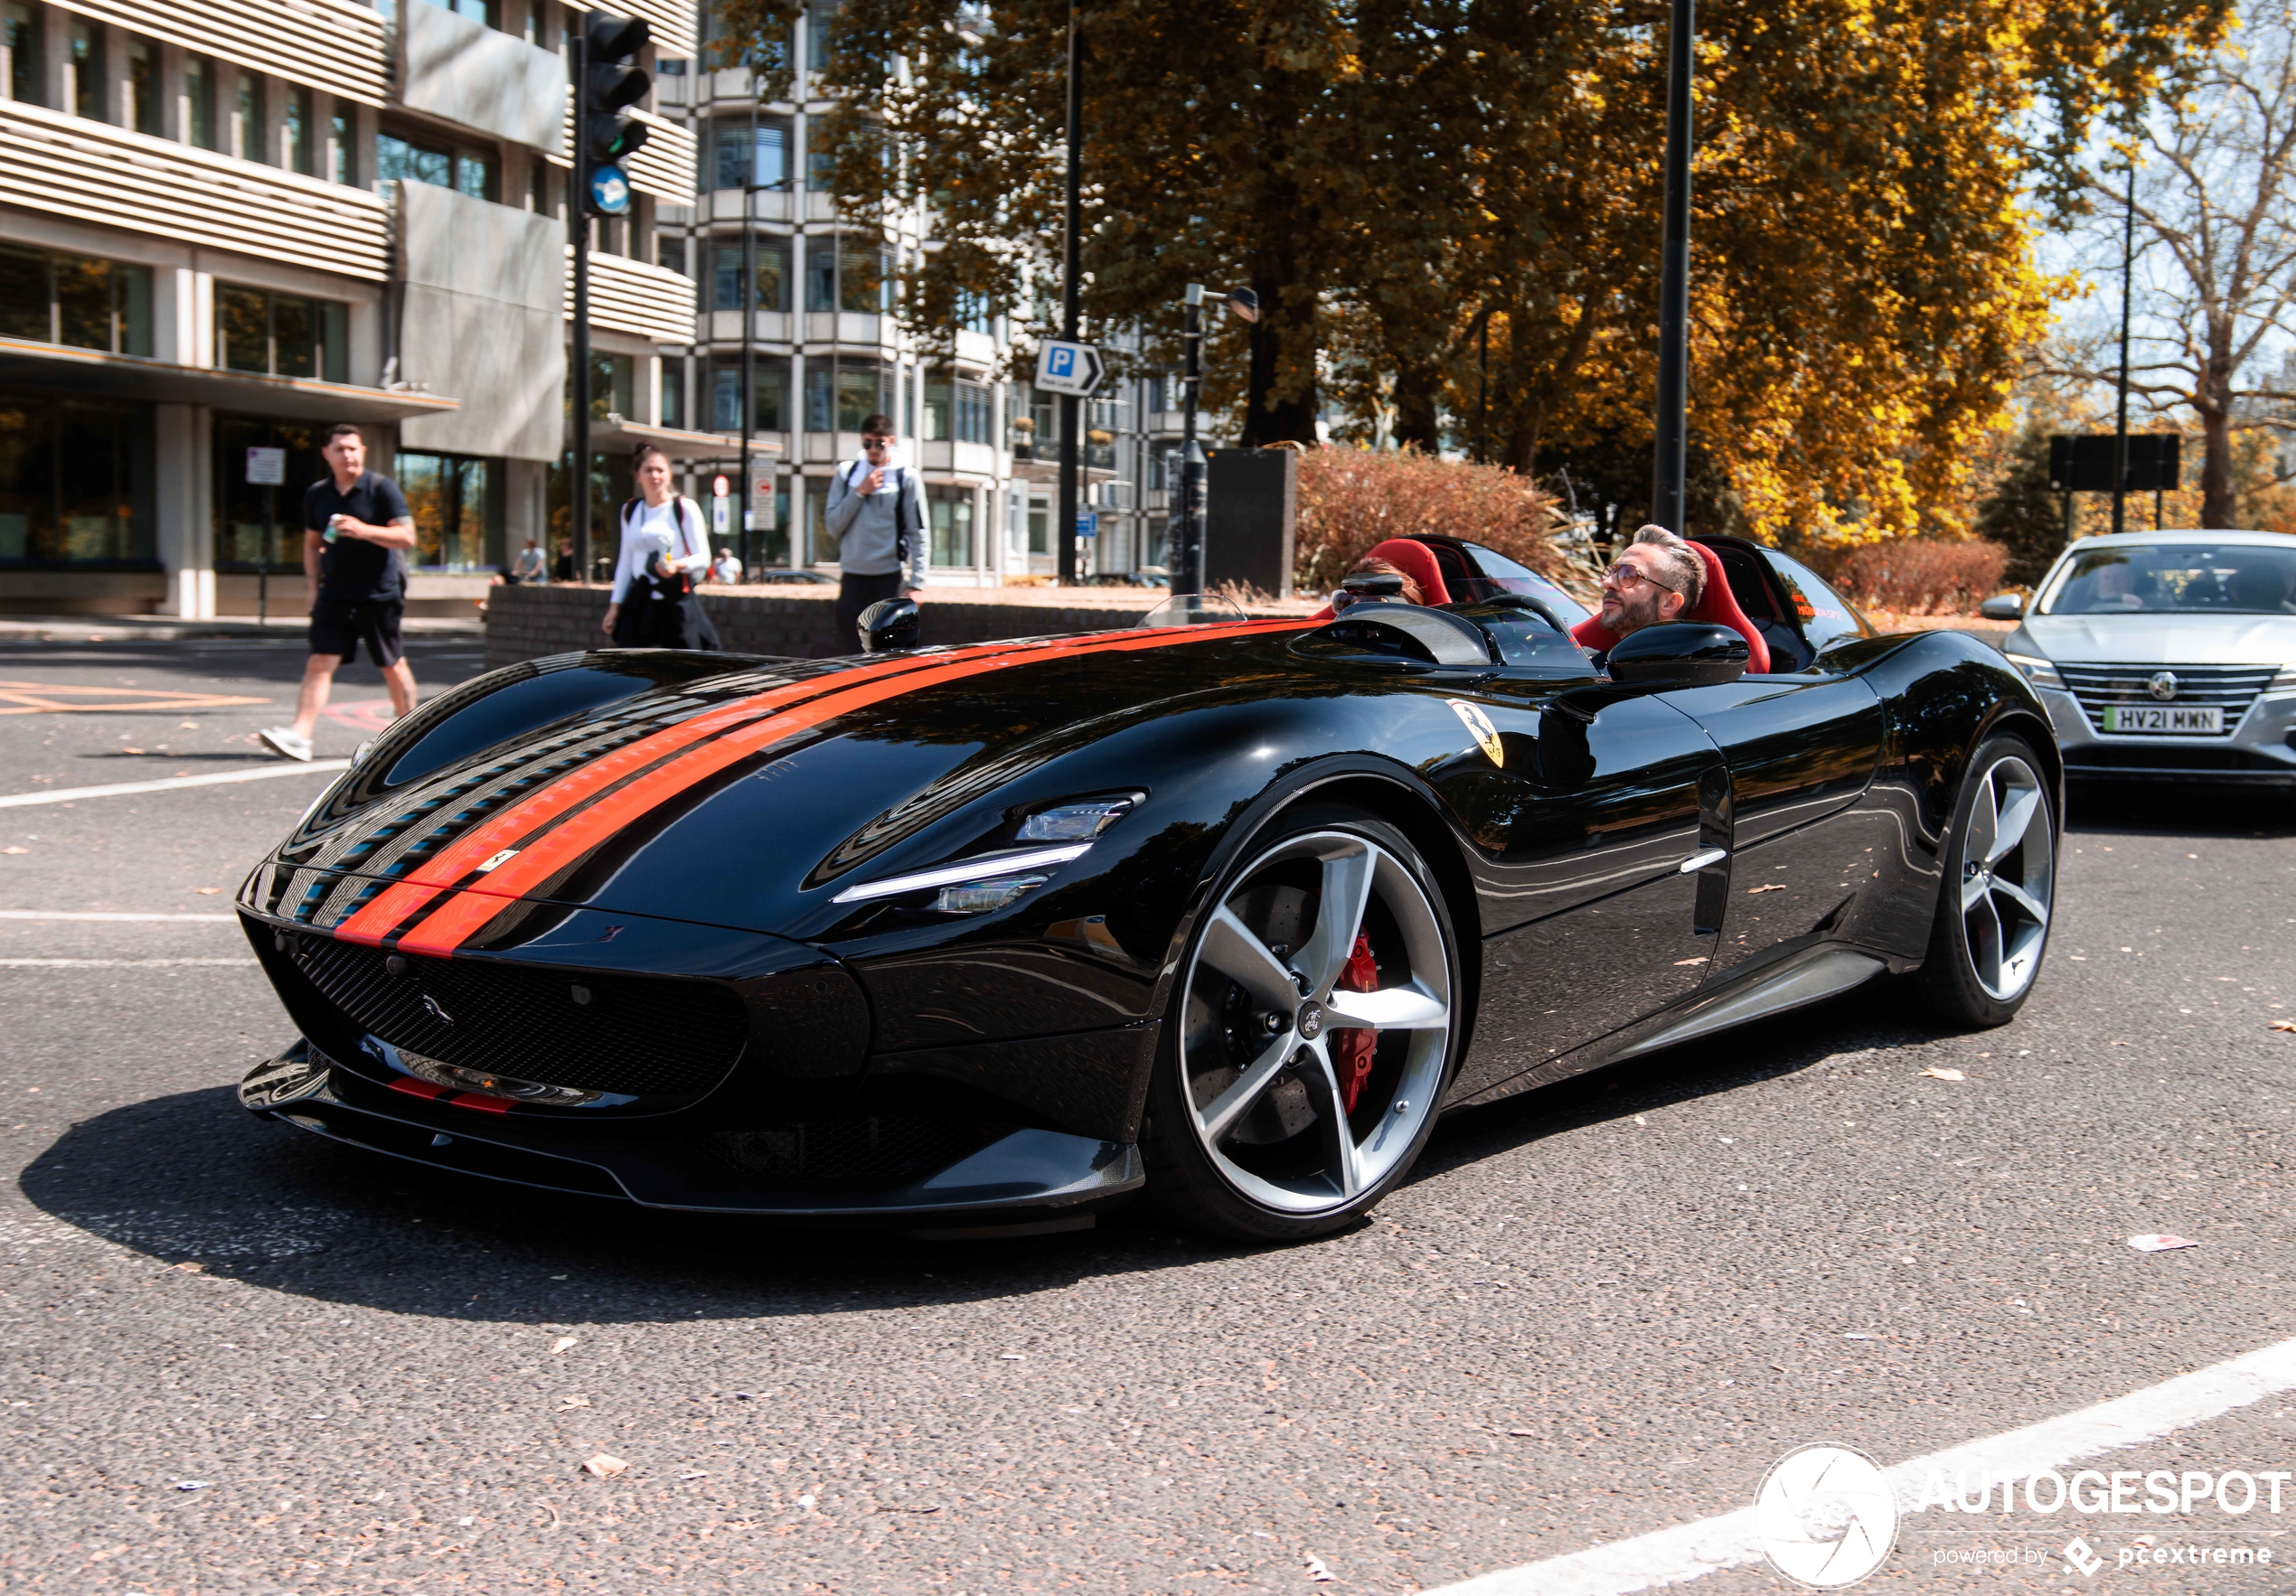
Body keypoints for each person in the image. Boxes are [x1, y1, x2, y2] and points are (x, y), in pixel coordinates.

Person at [257, 425, 416, 763]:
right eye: (341, 449)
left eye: (354, 448)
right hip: (335, 593)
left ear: (364, 451)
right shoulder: (318, 494)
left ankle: (412, 737)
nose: (349, 455)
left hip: (379, 592)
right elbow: (313, 545)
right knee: (319, 661)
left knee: (391, 664)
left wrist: (362, 530)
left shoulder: (380, 488)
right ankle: (300, 736)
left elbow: (406, 536)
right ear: (326, 454)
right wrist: (313, 587)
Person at [602, 444, 720, 650]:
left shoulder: (683, 508)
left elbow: (703, 557)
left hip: (674, 598)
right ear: (637, 475)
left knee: (684, 664)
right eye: (648, 470)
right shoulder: (630, 510)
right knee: (630, 662)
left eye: (660, 470)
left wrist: (676, 565)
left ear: (669, 474)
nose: (654, 476)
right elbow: (625, 562)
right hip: (641, 600)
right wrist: (614, 607)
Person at [825, 413, 927, 642]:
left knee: (887, 649)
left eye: (879, 443)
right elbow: (832, 526)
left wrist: (917, 583)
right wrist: (859, 492)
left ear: (890, 441)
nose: (873, 449)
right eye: (867, 443)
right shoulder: (846, 473)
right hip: (852, 576)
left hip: (889, 576)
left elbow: (918, 532)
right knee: (850, 647)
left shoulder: (906, 477)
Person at [1595, 523, 1705, 642]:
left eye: (1629, 574)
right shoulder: (1584, 658)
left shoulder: (1693, 661)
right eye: (1612, 572)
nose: (1607, 583)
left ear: (1669, 603)